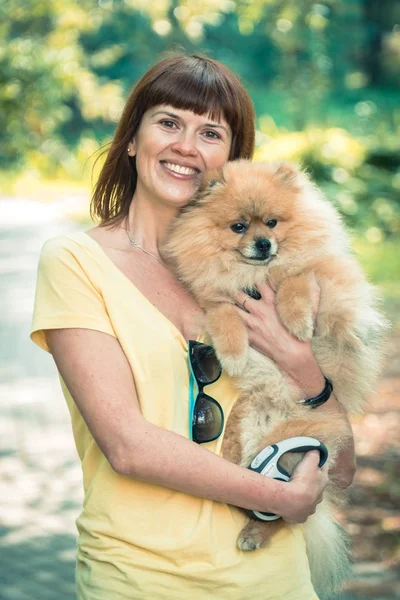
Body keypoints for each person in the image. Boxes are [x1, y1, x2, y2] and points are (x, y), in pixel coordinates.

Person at [31, 53, 355, 600]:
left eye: (210, 132)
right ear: (132, 139)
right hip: (139, 577)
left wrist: (304, 370)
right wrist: (277, 498)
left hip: (275, 579)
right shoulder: (74, 261)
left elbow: (341, 468)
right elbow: (128, 446)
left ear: (230, 161)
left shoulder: (265, 268)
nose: (186, 146)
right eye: (168, 122)